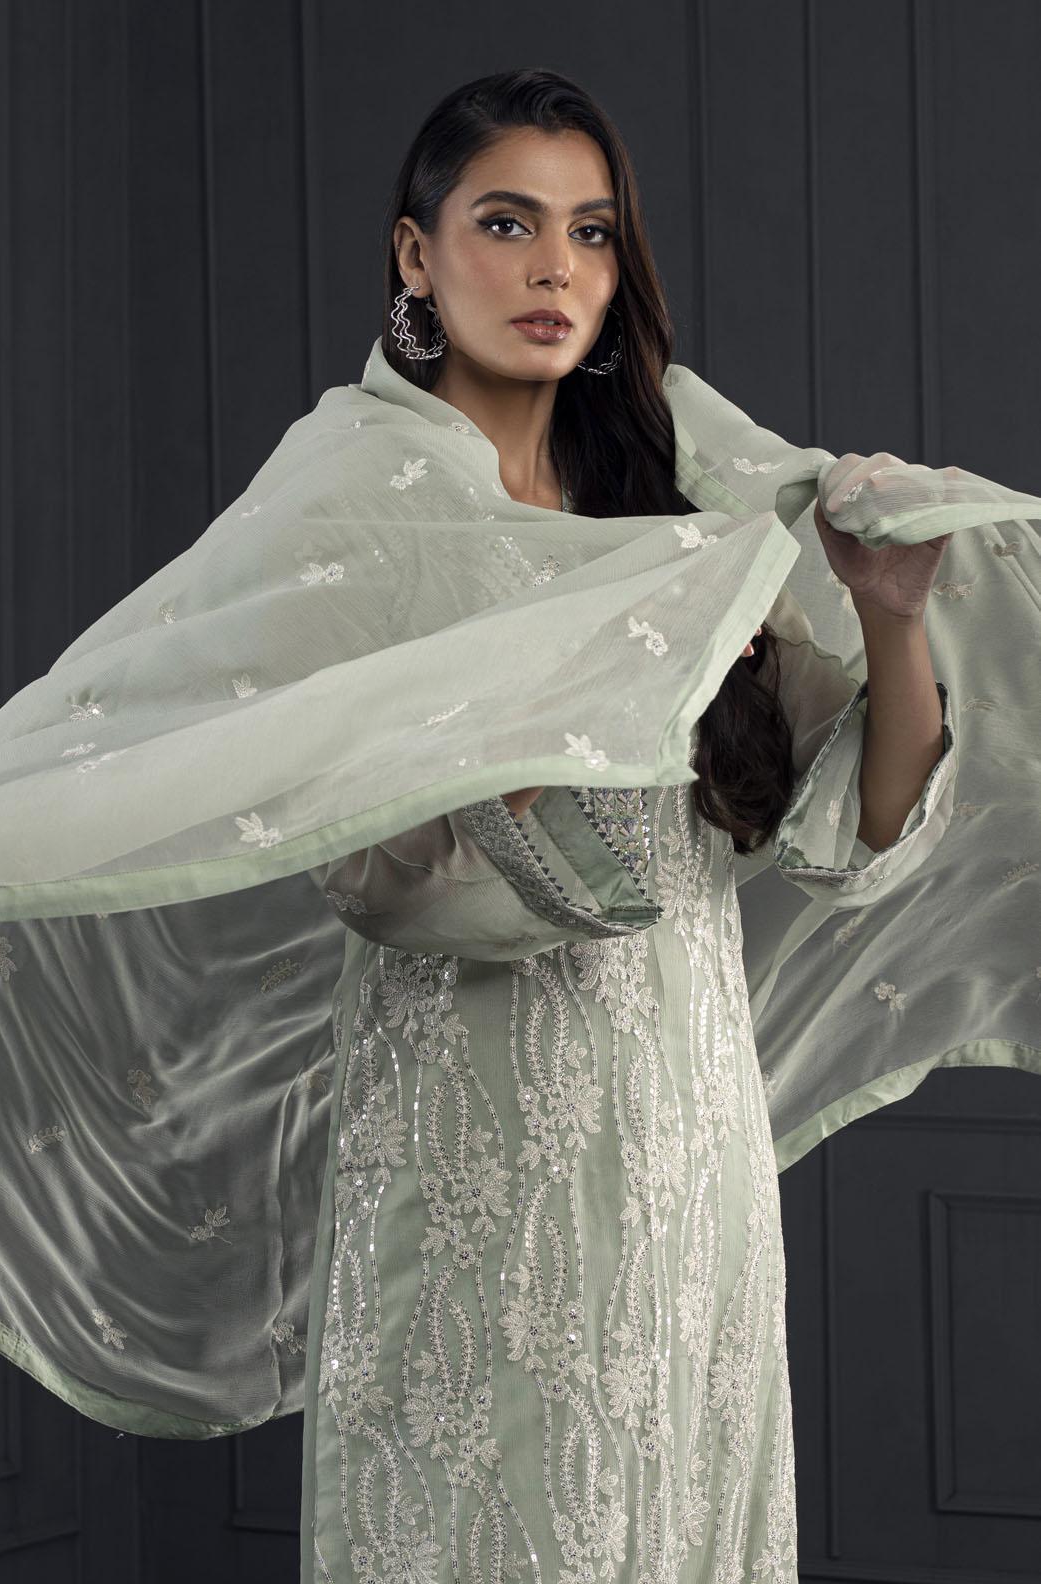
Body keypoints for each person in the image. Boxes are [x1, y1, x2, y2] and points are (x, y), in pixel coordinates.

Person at [296, 69, 956, 1584]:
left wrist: (889, 613)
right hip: (481, 1134)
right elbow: (371, 871)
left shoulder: (667, 518)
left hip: (685, 1124)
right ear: (414, 253)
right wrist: (552, 711)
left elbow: (856, 821)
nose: (553, 269)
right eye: (505, 223)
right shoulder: (359, 515)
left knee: (679, 1509)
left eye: (589, 233)